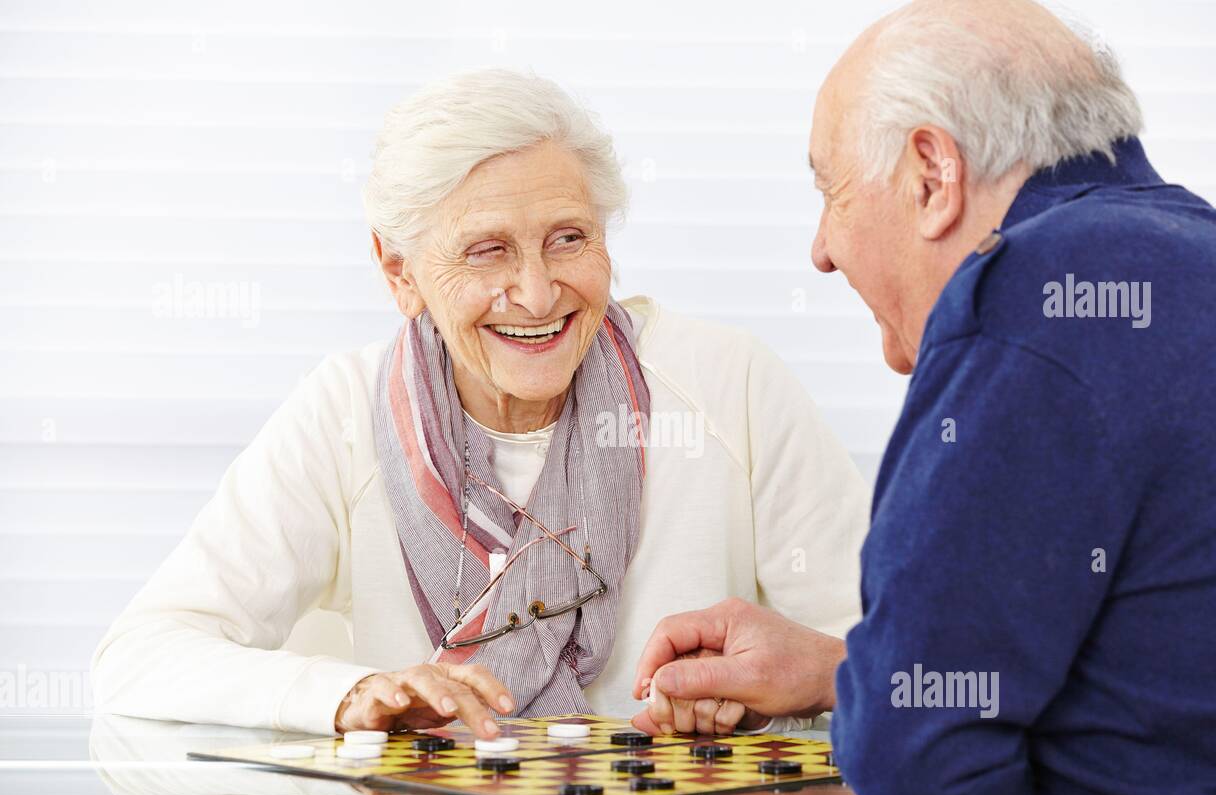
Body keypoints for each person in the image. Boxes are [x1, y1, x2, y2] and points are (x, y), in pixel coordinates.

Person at [631, 0, 1216, 795]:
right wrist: (846, 673)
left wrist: (883, 702)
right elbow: (1164, 671)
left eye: (830, 191)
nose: (820, 251)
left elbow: (914, 758)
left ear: (931, 174)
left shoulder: (1027, 300)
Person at [92, 70, 870, 740]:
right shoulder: (341, 414)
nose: (536, 293)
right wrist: (345, 695)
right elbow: (142, 655)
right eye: (487, 250)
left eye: (568, 238)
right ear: (398, 271)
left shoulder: (729, 386)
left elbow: (891, 658)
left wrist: (771, 702)